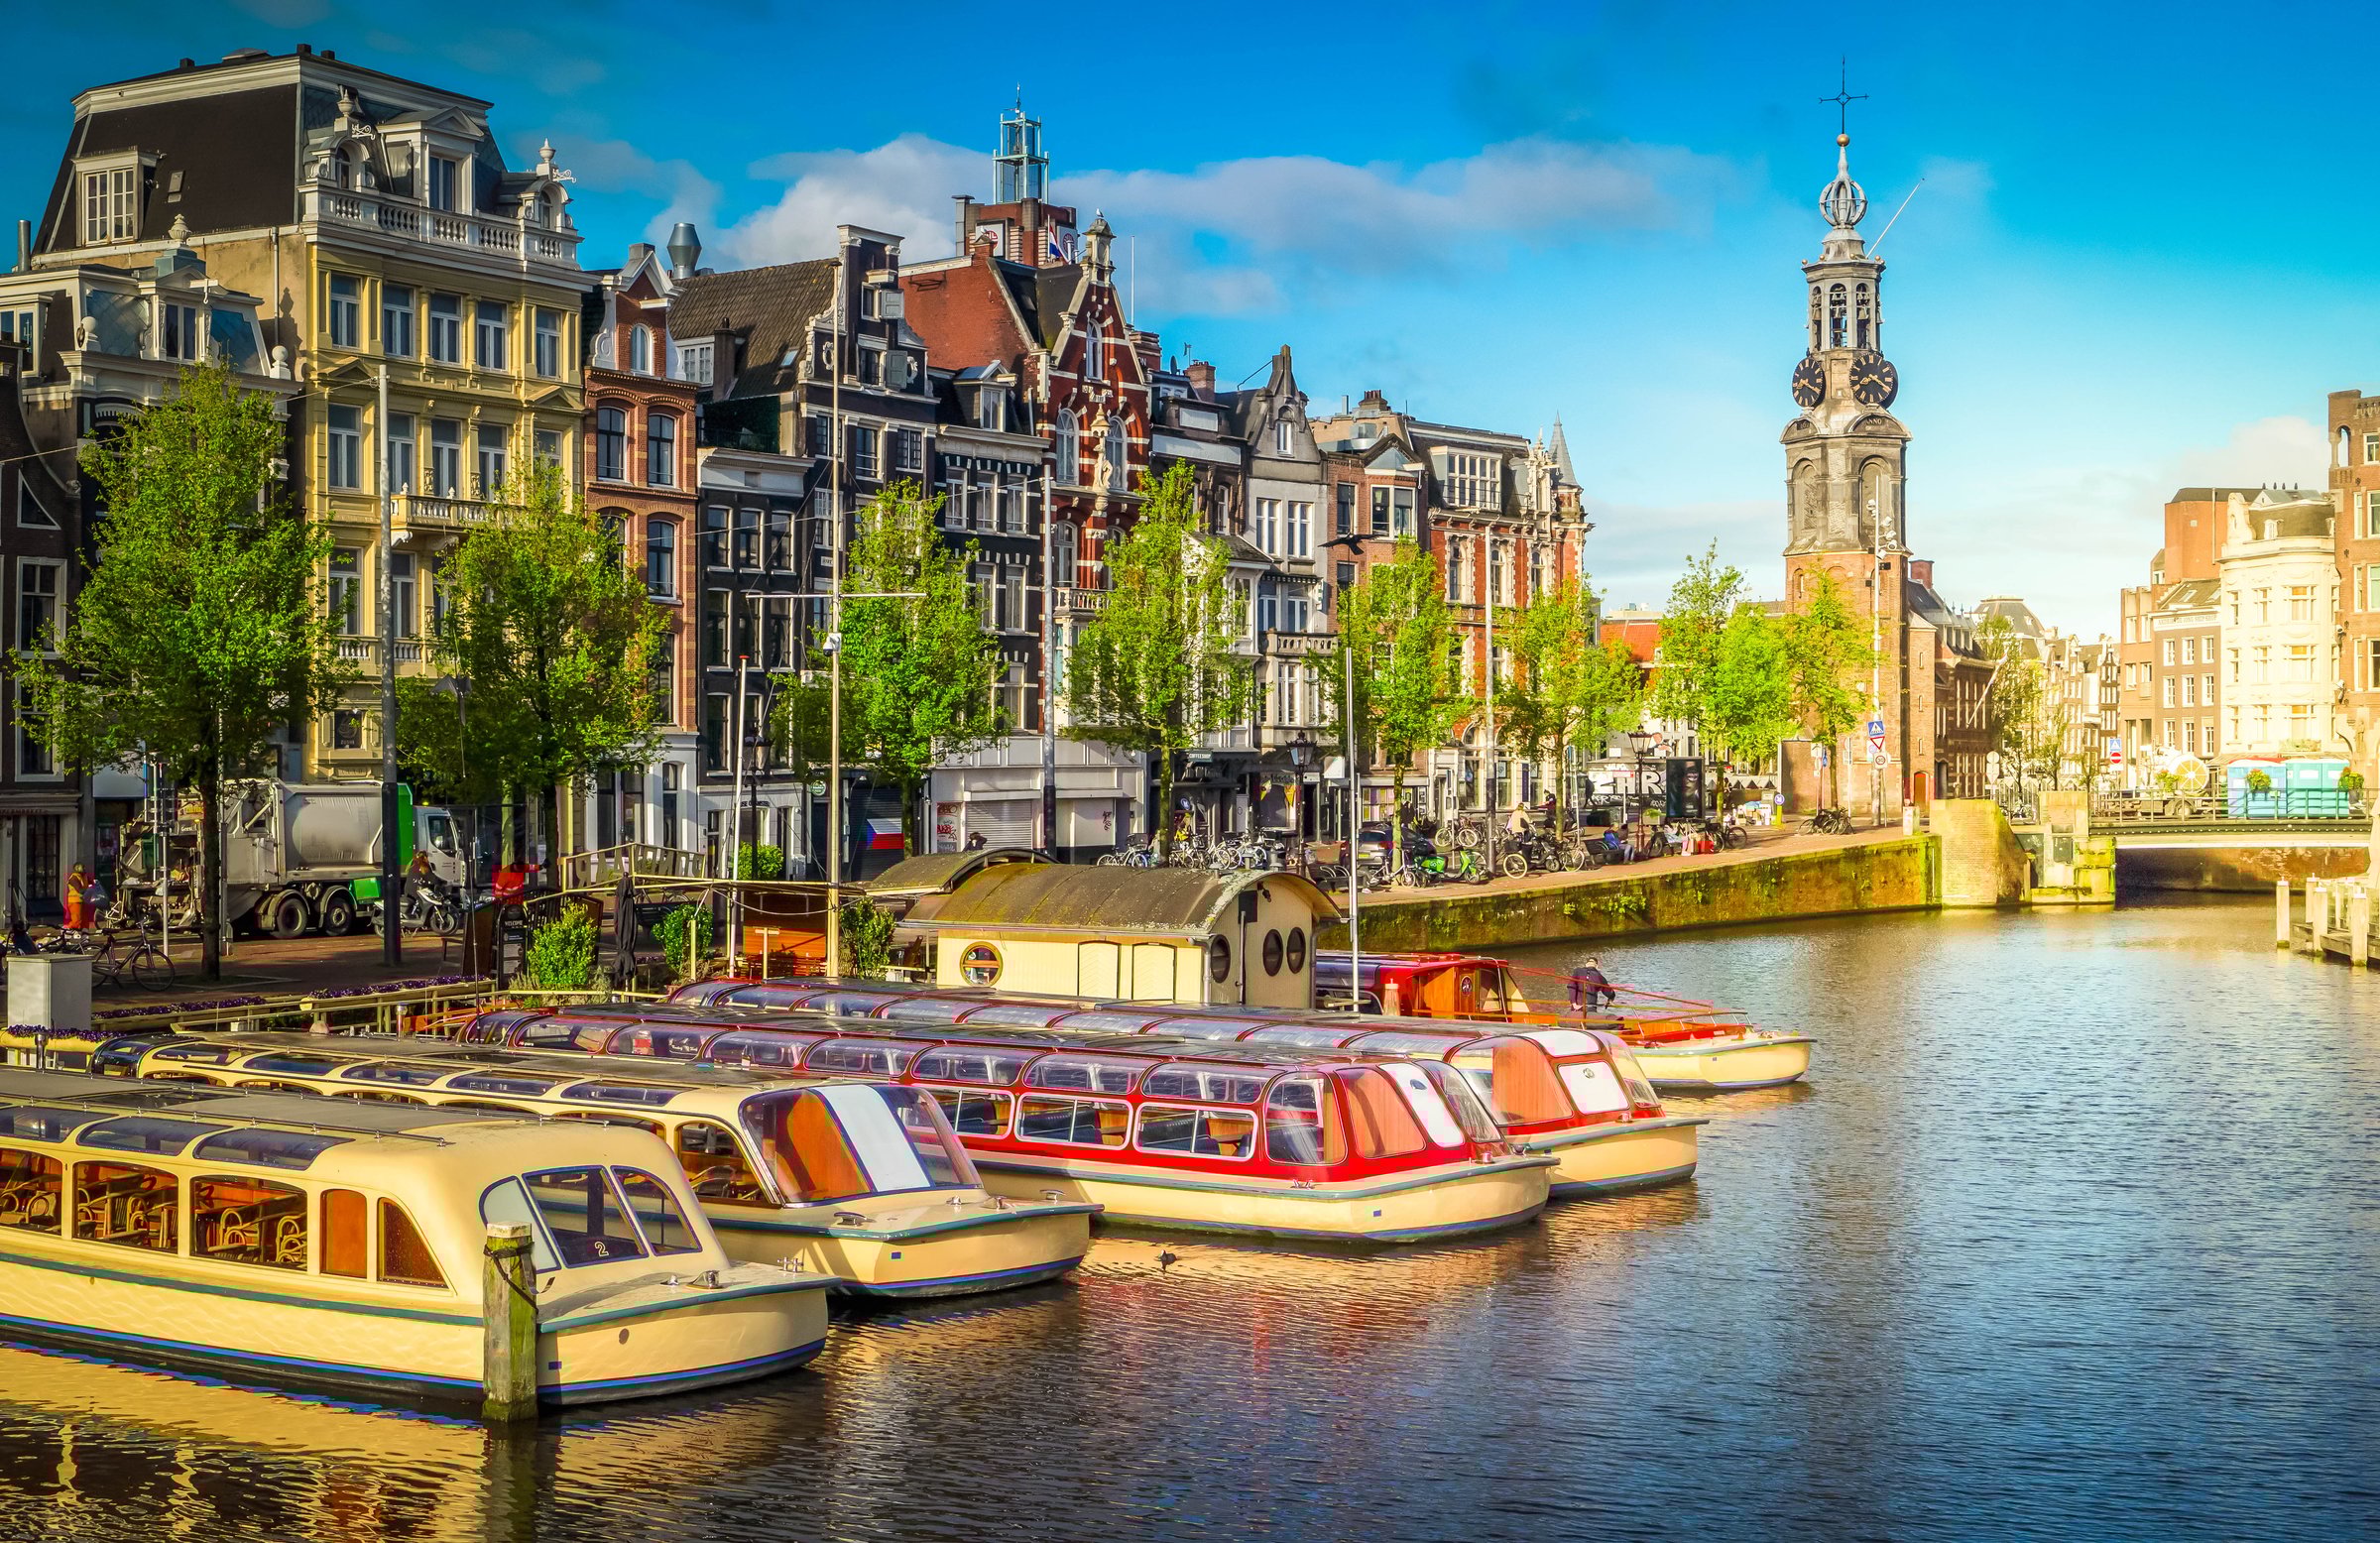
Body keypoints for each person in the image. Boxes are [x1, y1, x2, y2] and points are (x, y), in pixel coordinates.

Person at [62, 865, 94, 932]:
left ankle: (85, 935)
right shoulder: (74, 878)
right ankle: (66, 929)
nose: (85, 868)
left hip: (84, 900)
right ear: (78, 868)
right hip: (75, 901)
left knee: (85, 920)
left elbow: (92, 883)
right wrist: (90, 889)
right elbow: (79, 890)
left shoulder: (85, 876)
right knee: (77, 921)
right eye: (83, 867)